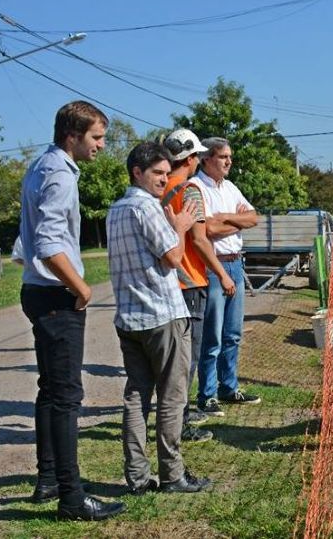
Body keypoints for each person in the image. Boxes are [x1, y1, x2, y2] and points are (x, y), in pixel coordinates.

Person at [19, 101, 125, 520]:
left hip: (37, 290)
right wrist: (81, 286)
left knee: (50, 391)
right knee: (66, 397)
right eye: (96, 137)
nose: (100, 145)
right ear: (73, 136)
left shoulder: (41, 164)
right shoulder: (60, 174)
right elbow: (47, 243)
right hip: (56, 295)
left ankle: (48, 479)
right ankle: (71, 496)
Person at [106, 141, 211, 495]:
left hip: (130, 317)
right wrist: (179, 225)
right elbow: (172, 258)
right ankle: (173, 475)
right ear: (137, 172)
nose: (165, 181)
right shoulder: (147, 208)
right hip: (162, 315)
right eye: (158, 174)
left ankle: (136, 477)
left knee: (136, 397)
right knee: (172, 397)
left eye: (167, 174)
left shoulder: (116, 210)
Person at [161, 128, 237, 441]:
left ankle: (179, 413)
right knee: (187, 359)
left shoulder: (159, 188)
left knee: (175, 357)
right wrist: (221, 273)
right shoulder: (190, 190)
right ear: (192, 159)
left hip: (167, 280)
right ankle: (179, 423)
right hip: (190, 279)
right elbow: (200, 238)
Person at [189, 137, 259, 417]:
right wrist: (234, 222)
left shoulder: (229, 187)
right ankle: (206, 395)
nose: (228, 161)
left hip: (235, 264)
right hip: (213, 266)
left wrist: (225, 218)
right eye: (223, 157)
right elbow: (207, 232)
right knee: (212, 335)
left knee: (233, 333)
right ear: (206, 159)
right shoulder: (196, 187)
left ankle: (228, 388)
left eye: (230, 156)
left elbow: (254, 218)